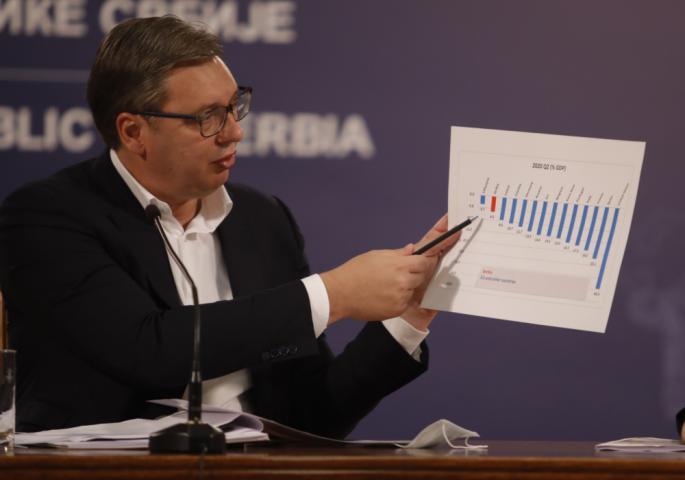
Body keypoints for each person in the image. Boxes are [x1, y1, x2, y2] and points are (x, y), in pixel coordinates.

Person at [0, 16, 456, 437]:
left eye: (234, 106)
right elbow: (148, 350)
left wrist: (409, 316)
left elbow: (312, 416)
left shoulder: (261, 219)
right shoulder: (45, 218)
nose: (234, 131)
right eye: (207, 117)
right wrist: (333, 294)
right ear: (133, 132)